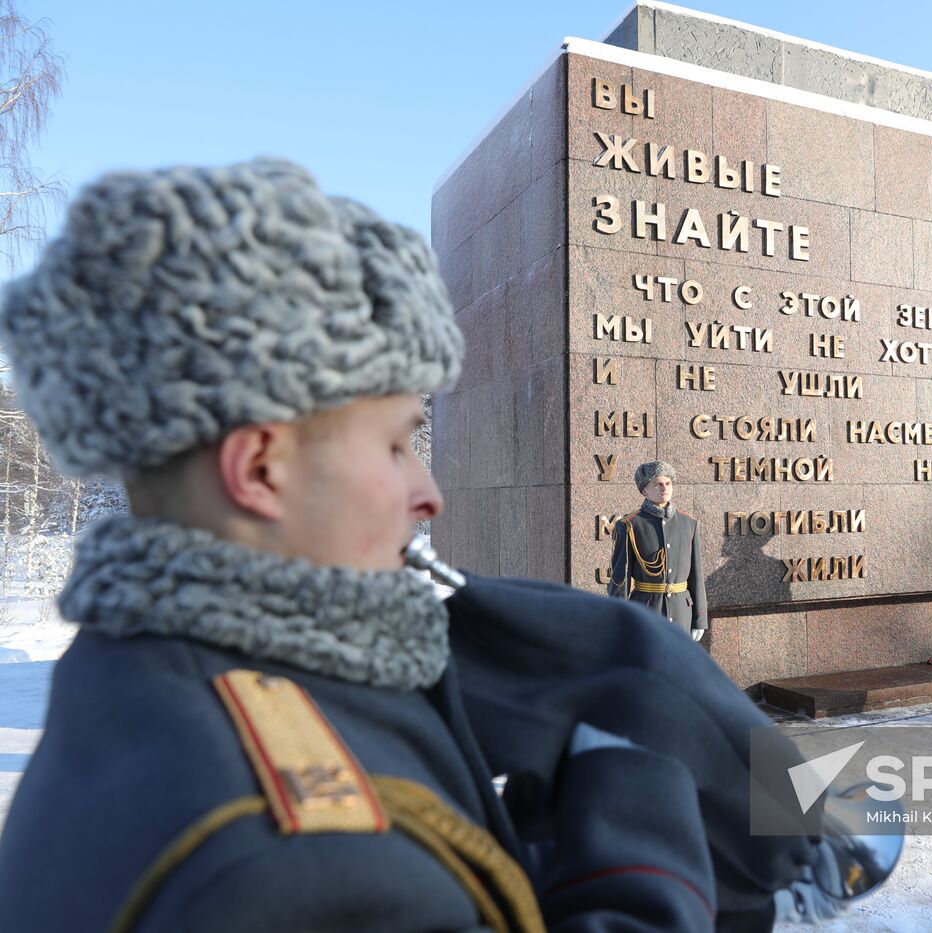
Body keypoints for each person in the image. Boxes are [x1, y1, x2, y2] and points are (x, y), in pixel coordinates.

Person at [0, 159, 725, 931]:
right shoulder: (298, 861)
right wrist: (639, 818)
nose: (430, 493)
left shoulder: (167, 670)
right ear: (261, 468)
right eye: (394, 445)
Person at [607, 460, 709, 642]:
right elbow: (620, 578)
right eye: (658, 484)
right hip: (646, 610)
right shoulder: (630, 524)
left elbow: (696, 575)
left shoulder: (688, 523)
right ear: (644, 490)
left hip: (681, 612)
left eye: (668, 483)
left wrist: (699, 619)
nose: (664, 488)